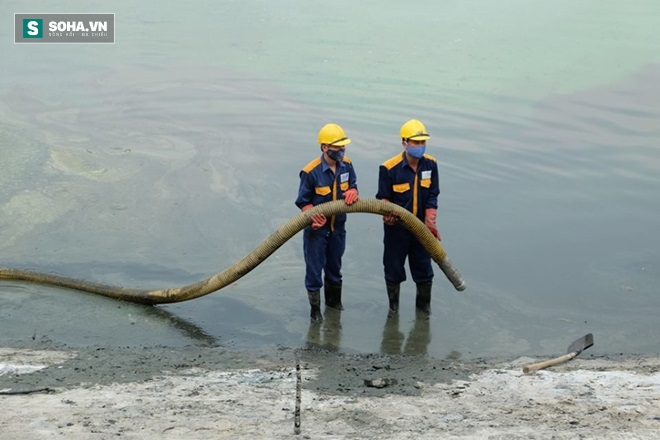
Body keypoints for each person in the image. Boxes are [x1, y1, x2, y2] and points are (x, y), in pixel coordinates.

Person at [295, 123, 359, 322]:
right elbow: (303, 202)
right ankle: (315, 314)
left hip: (338, 229)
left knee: (334, 269)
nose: (341, 150)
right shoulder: (310, 172)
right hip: (317, 232)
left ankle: (334, 306)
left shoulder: (347, 165)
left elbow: (353, 185)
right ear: (324, 147)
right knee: (314, 273)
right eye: (337, 146)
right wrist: (312, 215)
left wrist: (353, 192)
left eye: (343, 146)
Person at [376, 119, 440, 315]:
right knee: (393, 270)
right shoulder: (389, 168)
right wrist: (387, 214)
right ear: (404, 142)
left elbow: (432, 196)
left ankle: (424, 312)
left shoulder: (431, 164)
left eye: (422, 142)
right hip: (397, 230)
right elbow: (382, 200)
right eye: (415, 142)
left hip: (421, 230)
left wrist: (430, 222)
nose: (420, 146)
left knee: (424, 271)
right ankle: (393, 310)